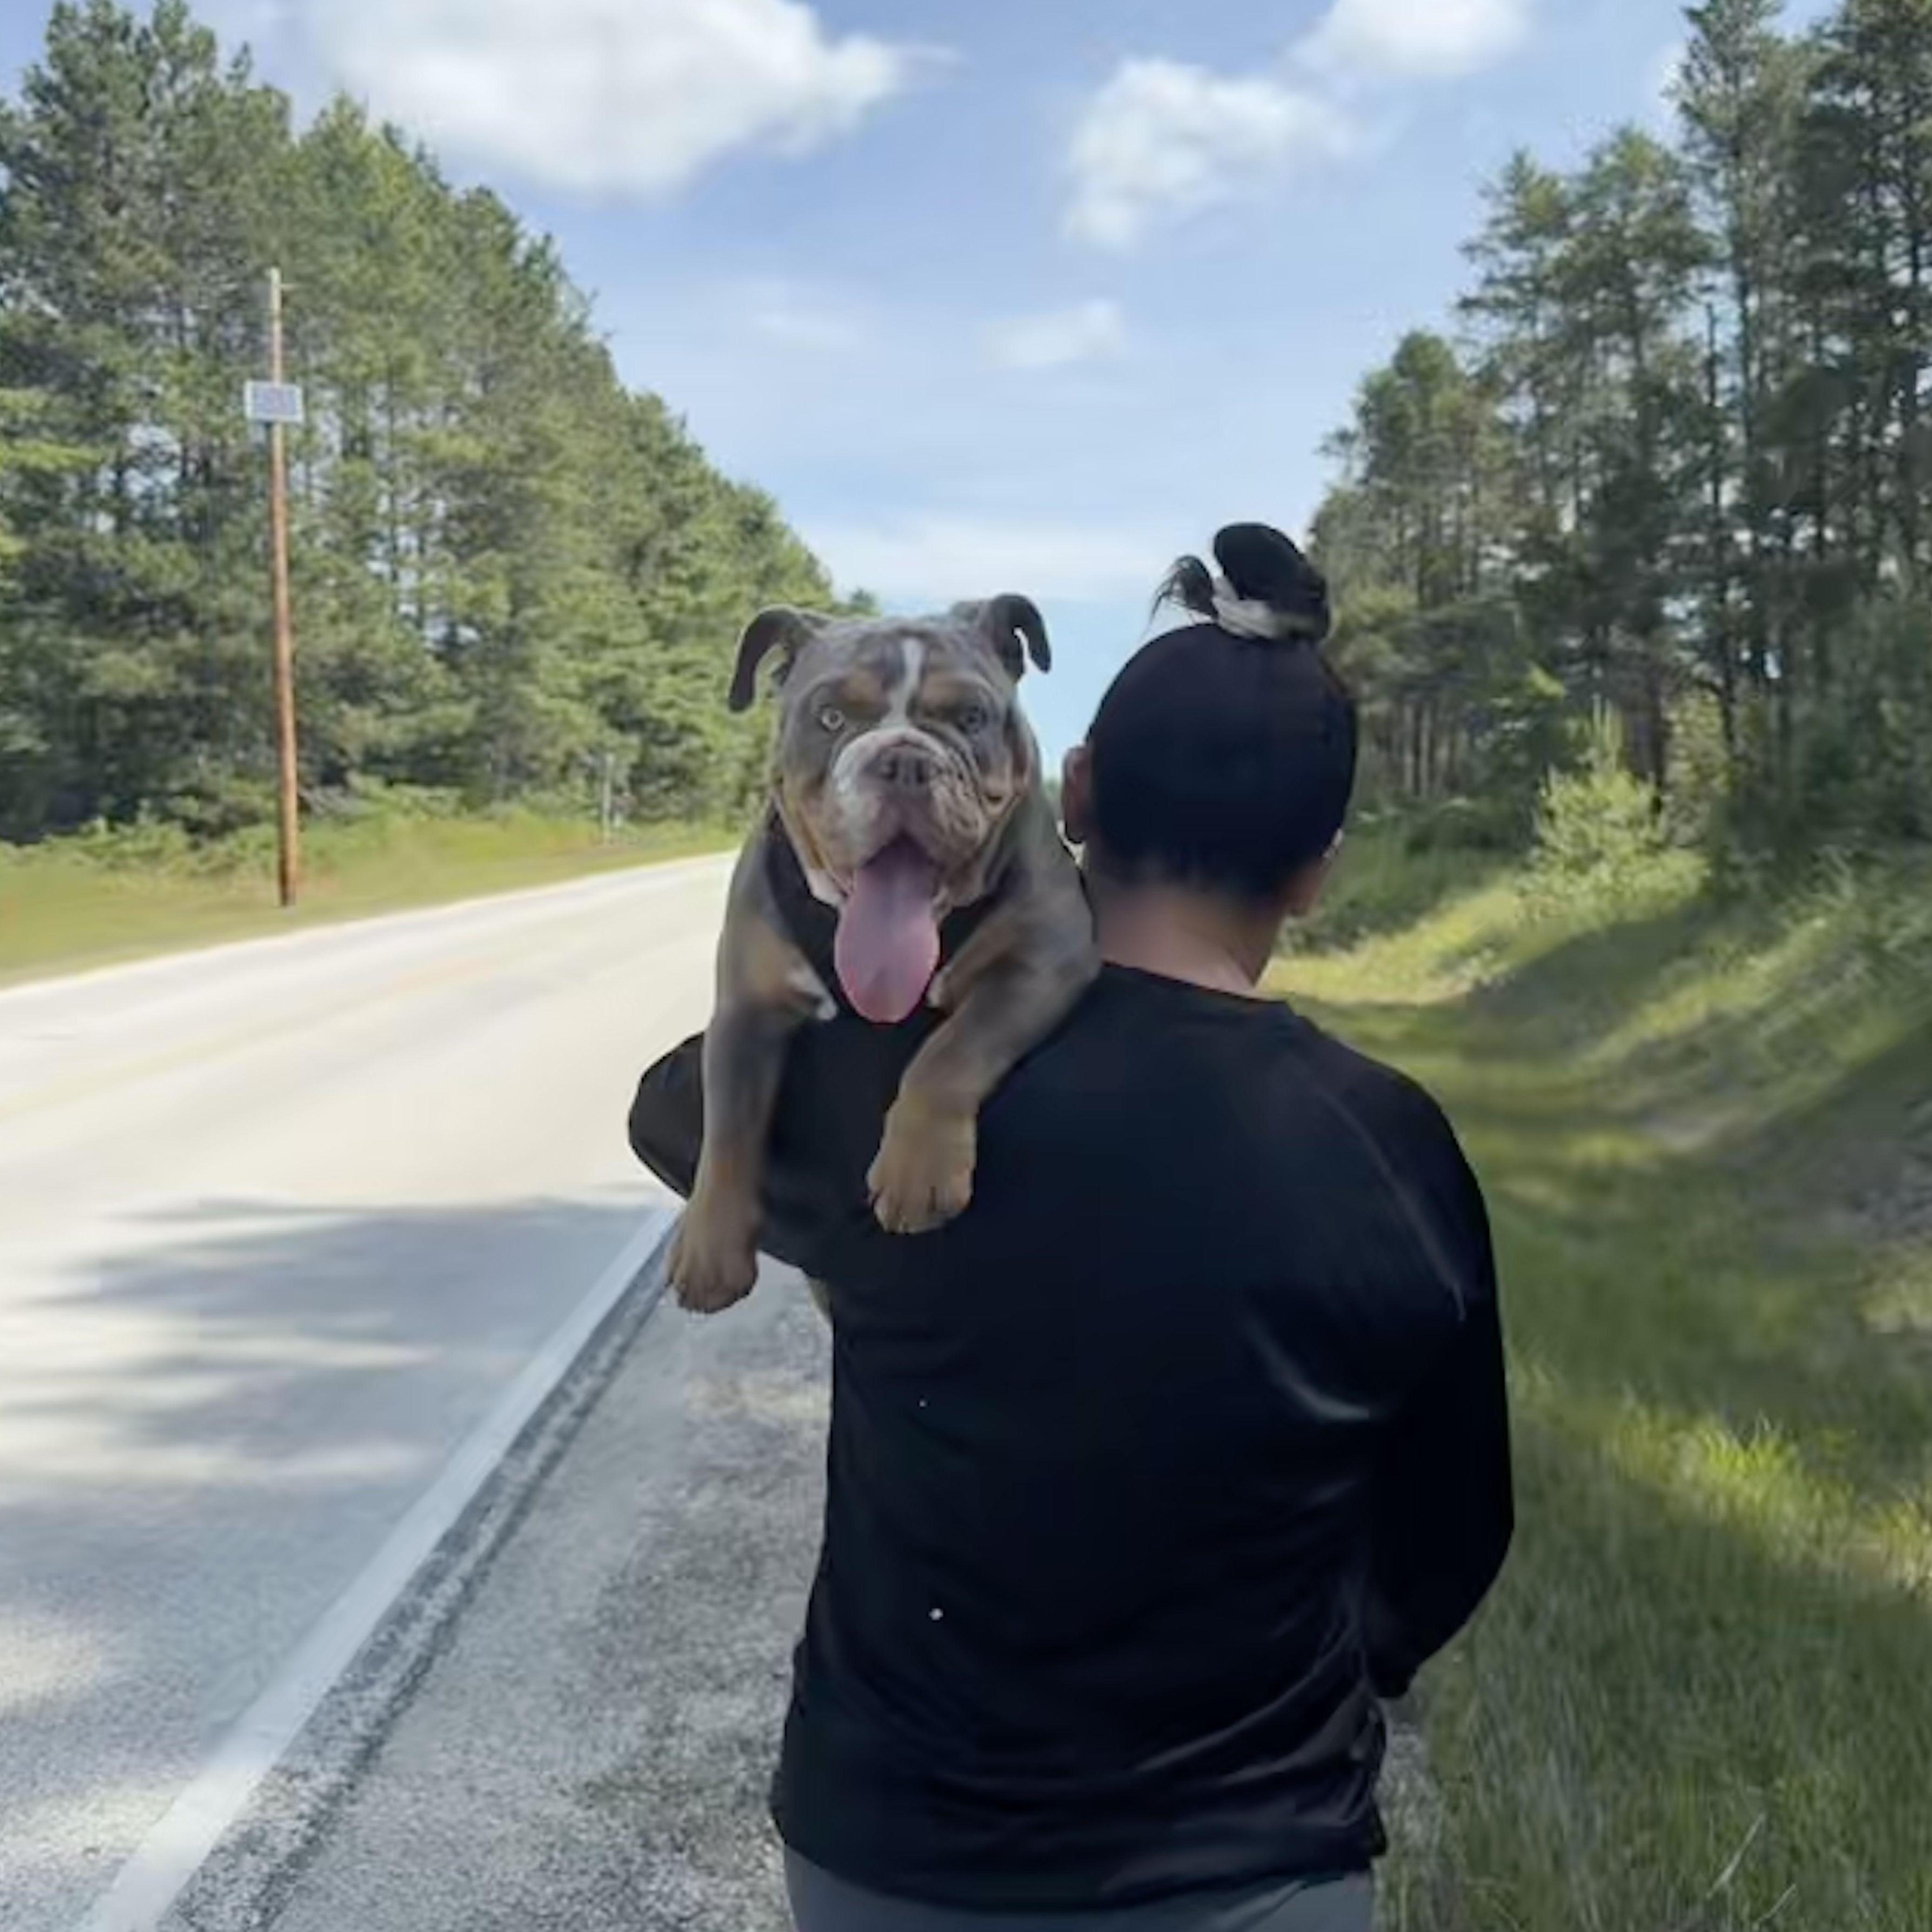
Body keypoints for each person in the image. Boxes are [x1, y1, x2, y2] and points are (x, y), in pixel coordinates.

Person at [629, 524, 1513, 1932]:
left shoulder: (875, 1091)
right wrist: (1342, 1678)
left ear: (1075, 790)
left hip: (896, 1847)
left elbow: (674, 1112)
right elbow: (1455, 1521)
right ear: (1318, 870)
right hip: (1255, 1852)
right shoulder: (1389, 1142)